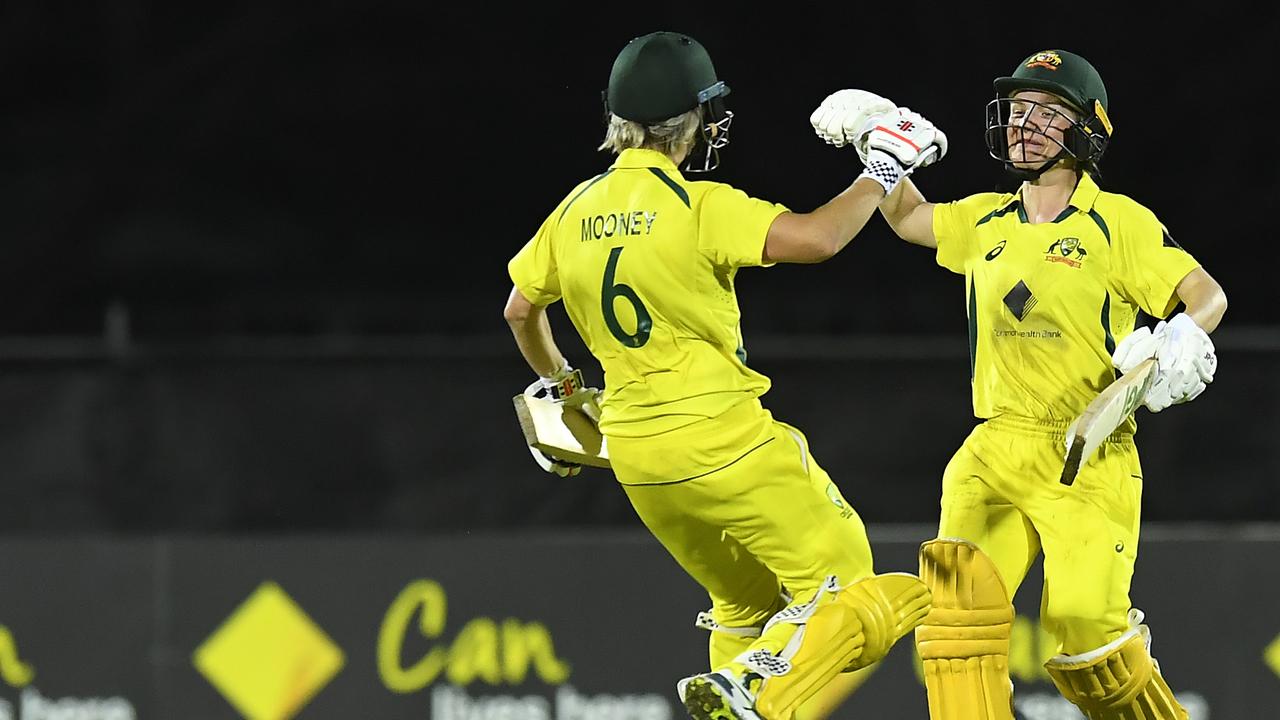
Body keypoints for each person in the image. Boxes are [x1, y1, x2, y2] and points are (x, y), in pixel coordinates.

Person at [503, 30, 948, 720]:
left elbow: (520, 311)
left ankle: (744, 678)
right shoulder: (697, 206)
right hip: (726, 443)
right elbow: (818, 238)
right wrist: (883, 168)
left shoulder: (572, 211)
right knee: (852, 588)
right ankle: (759, 689)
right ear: (694, 120)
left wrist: (563, 388)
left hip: (640, 462)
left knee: (743, 604)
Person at [809, 50, 1228, 719]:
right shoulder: (984, 220)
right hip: (993, 450)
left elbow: (1205, 294)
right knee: (955, 631)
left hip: (1086, 457)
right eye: (1019, 109)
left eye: (1049, 112)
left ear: (1087, 131)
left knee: (1088, 633)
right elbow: (909, 217)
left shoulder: (1118, 222)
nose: (1024, 123)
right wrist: (876, 139)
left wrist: (1184, 333)